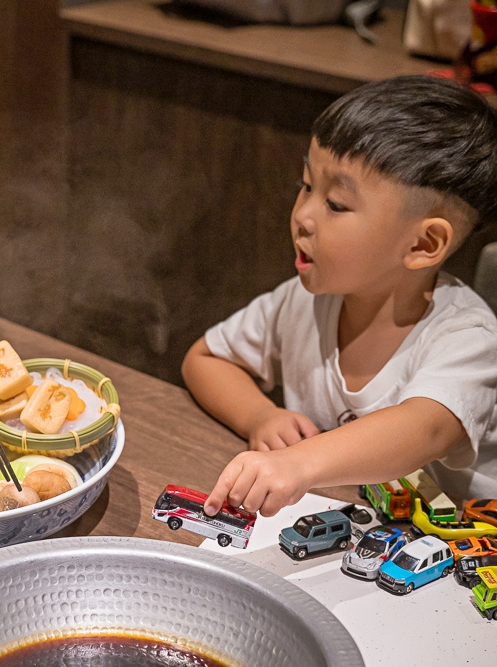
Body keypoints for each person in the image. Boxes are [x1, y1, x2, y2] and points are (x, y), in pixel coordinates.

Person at [181, 75, 497, 518]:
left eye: (336, 204)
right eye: (307, 185)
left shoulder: (470, 339)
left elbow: (423, 430)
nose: (303, 216)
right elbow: (206, 358)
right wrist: (259, 417)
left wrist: (297, 463)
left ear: (423, 245)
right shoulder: (304, 301)